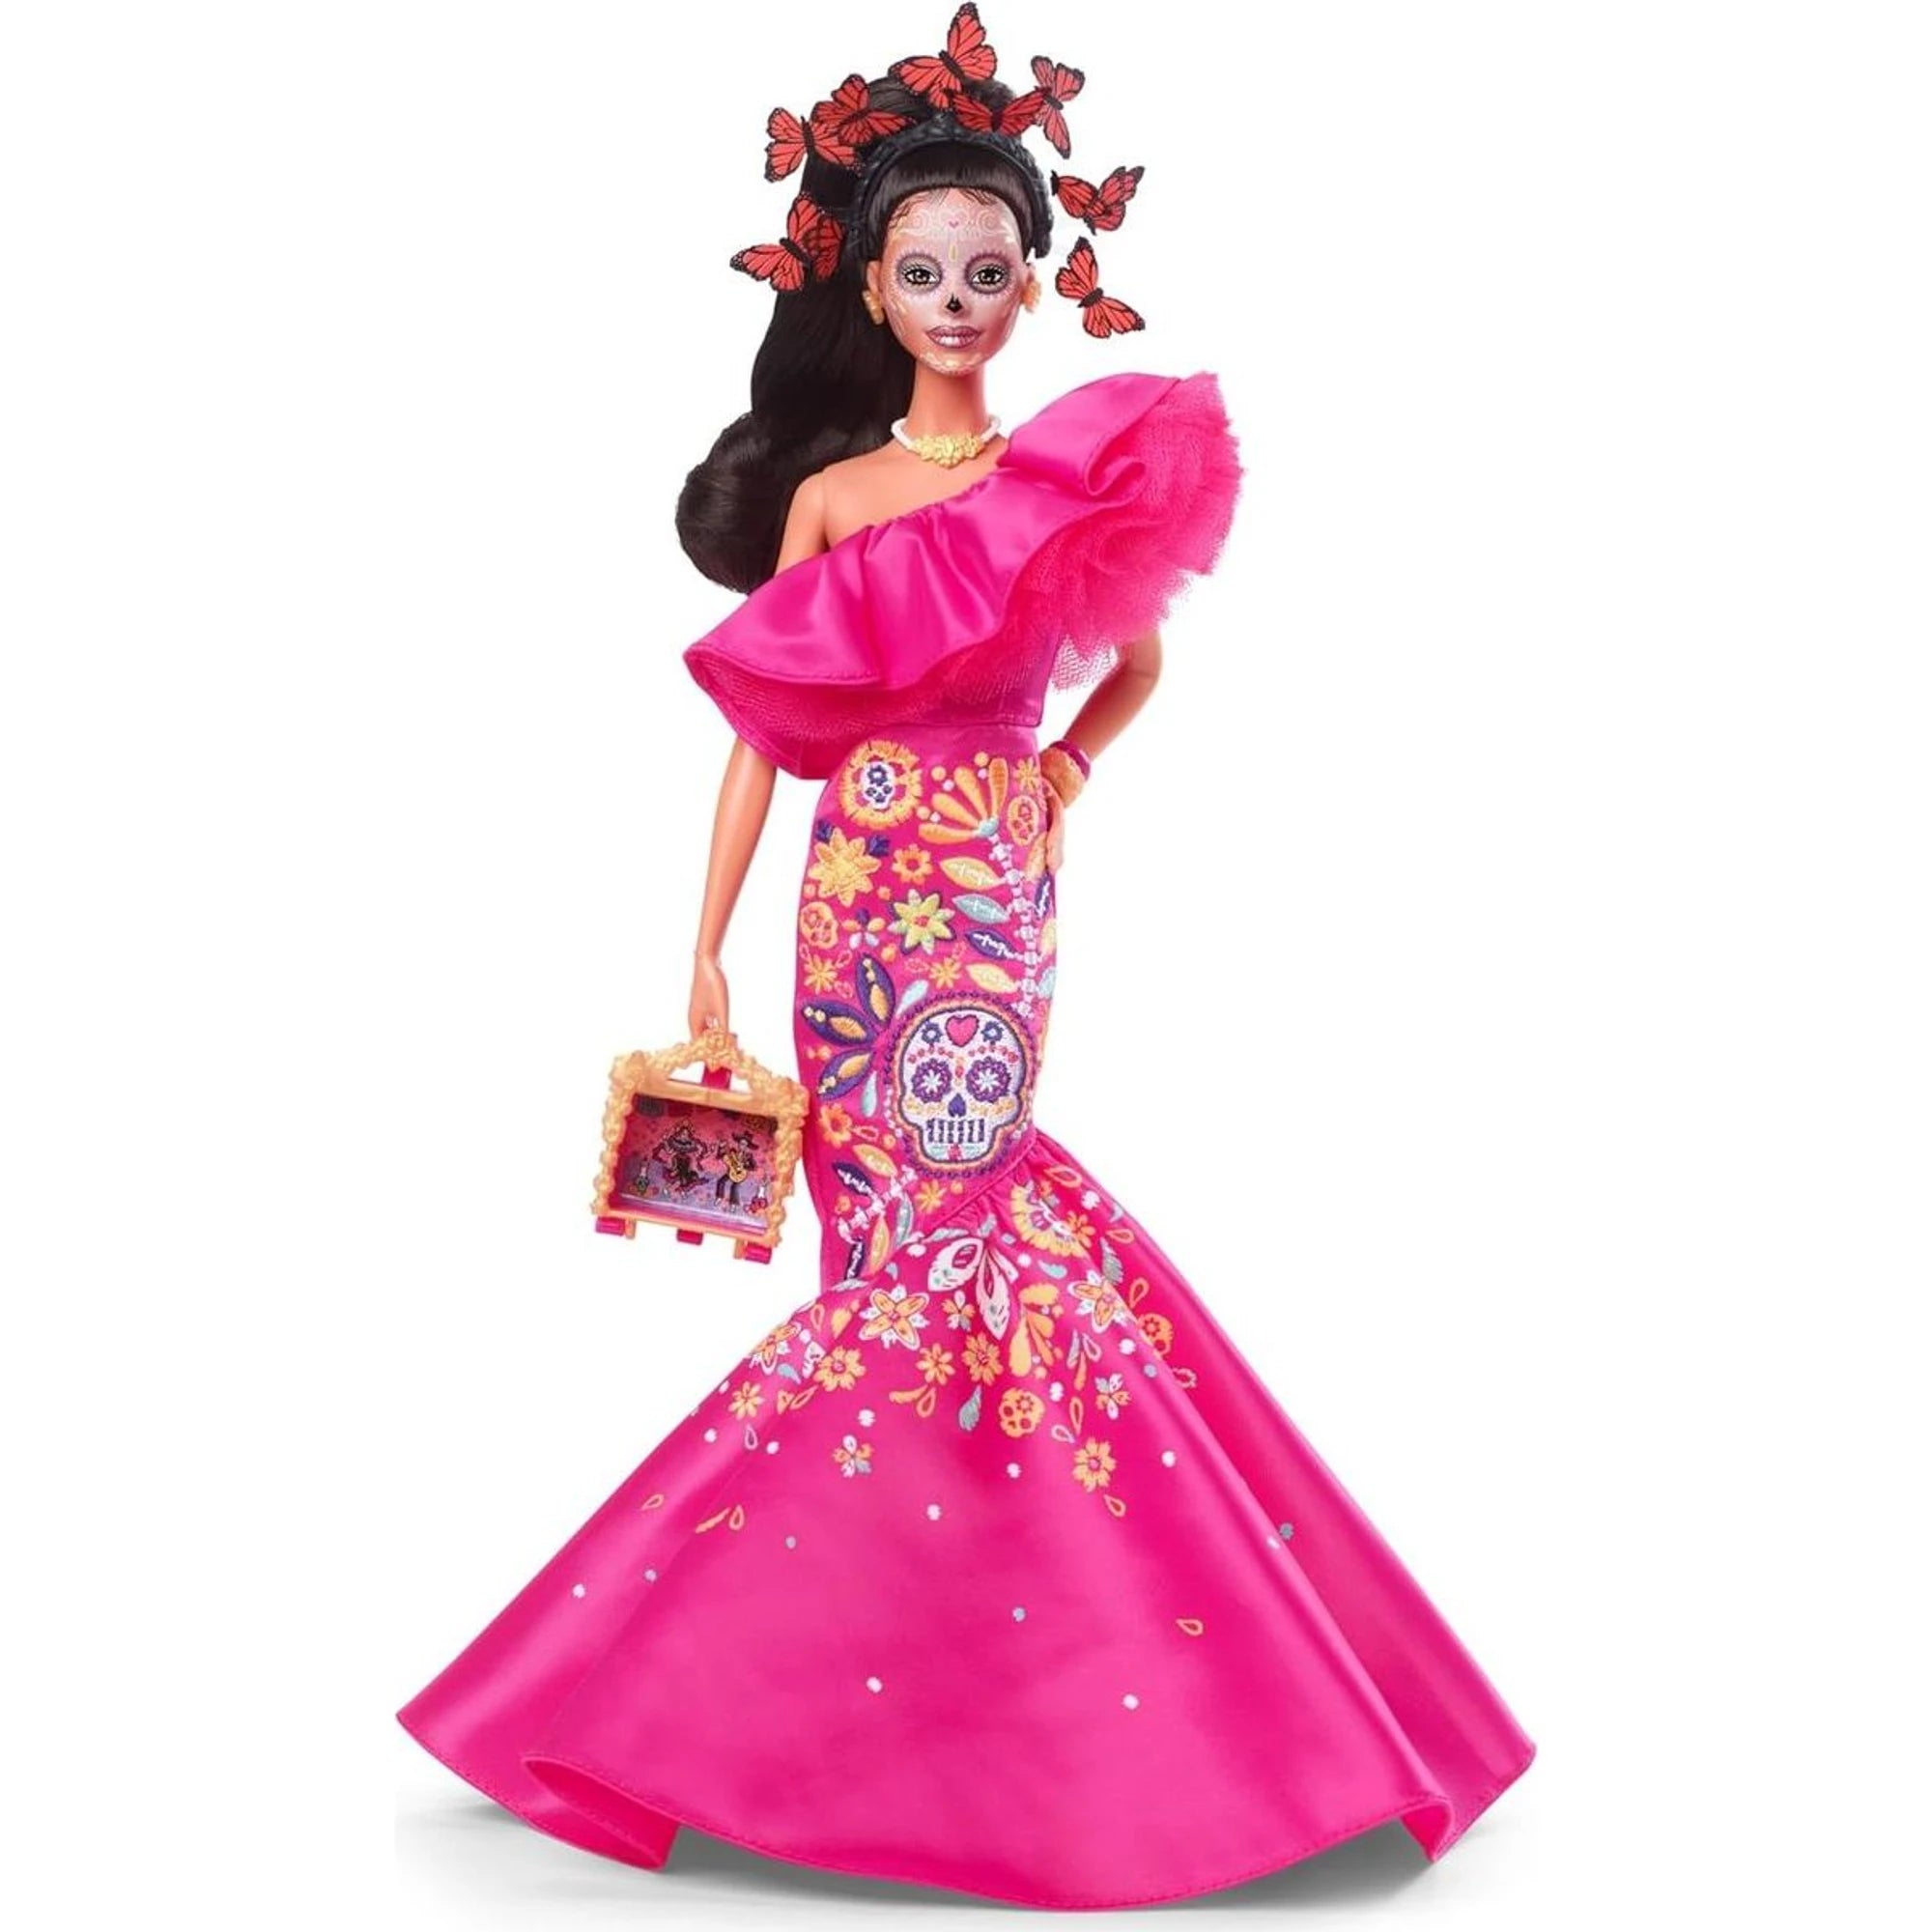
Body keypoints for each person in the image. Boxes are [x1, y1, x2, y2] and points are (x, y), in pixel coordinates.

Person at [395, 11, 1535, 1909]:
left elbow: (1140, 657)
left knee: (964, 1223)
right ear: (870, 286)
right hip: (852, 895)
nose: (952, 303)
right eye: (921, 273)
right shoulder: (834, 498)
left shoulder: (1064, 484)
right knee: (887, 1253)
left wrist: (1063, 772)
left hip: (988, 899)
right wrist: (703, 949)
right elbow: (762, 729)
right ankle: (902, 1658)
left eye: (985, 274)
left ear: (1029, 285)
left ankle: (972, 1674)